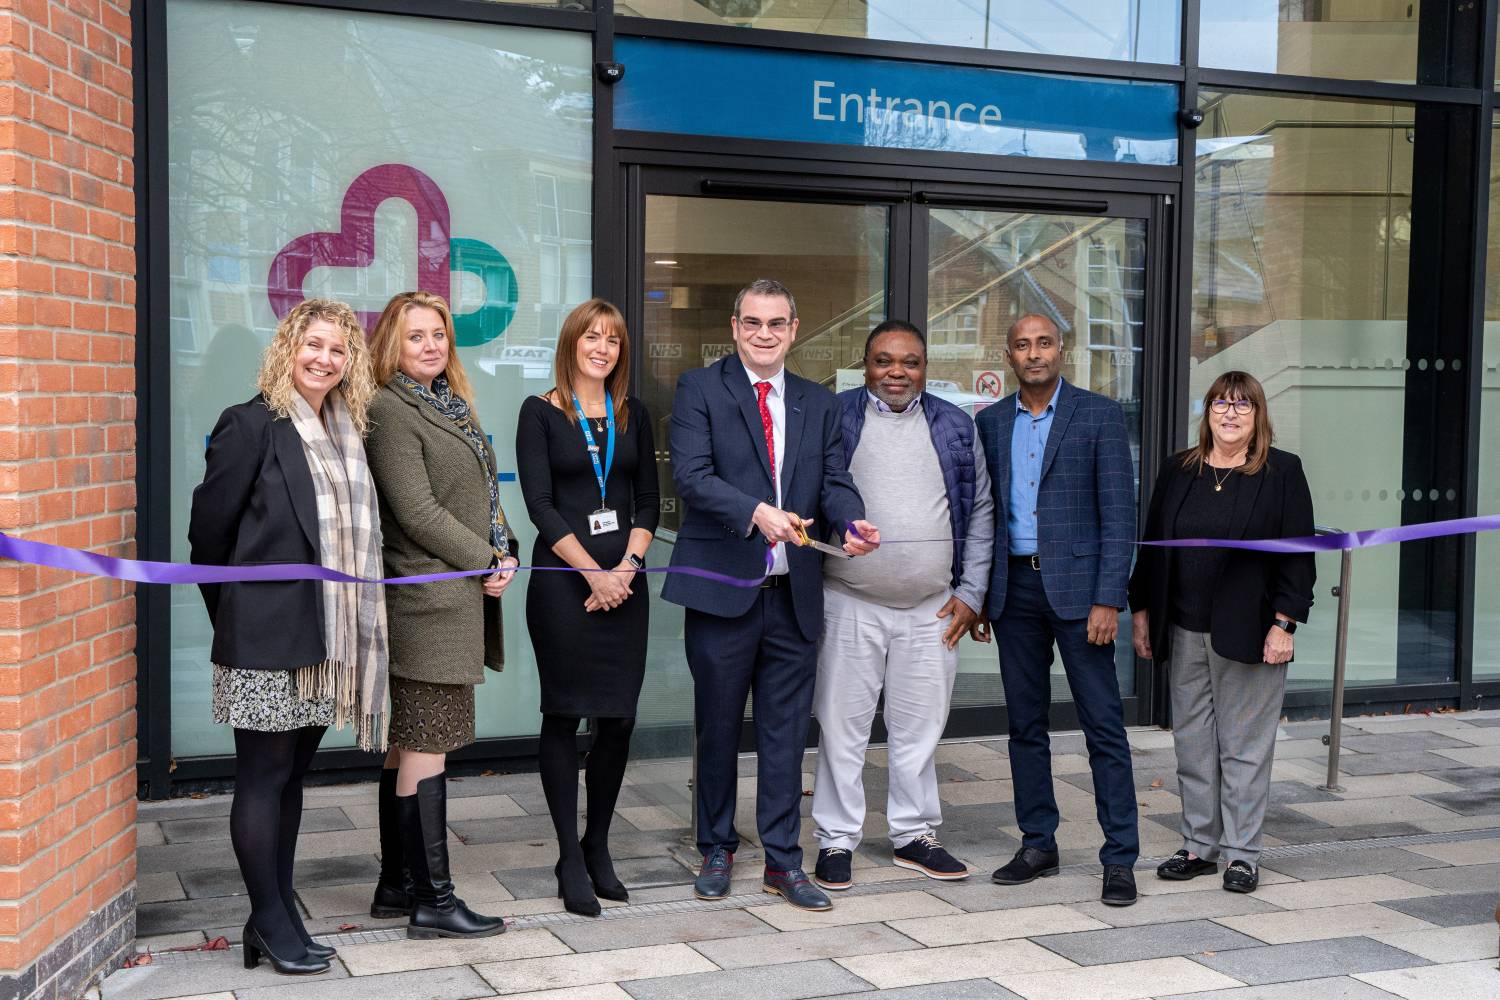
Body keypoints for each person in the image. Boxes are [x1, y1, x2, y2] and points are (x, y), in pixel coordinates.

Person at [665, 278, 879, 913]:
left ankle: (784, 860)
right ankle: (716, 847)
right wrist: (758, 512)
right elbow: (693, 475)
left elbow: (834, 482)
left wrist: (851, 522)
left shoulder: (821, 402)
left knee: (786, 733)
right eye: (753, 323)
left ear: (793, 329)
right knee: (719, 727)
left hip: (794, 594)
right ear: (735, 327)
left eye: (777, 323)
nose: (764, 333)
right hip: (723, 590)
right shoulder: (700, 388)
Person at [189, 298, 386, 975]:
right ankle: (271, 919)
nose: (324, 360)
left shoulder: (346, 431)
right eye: (314, 345)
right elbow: (206, 538)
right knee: (264, 776)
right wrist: (239, 615)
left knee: (294, 776)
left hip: (326, 638)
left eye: (338, 350)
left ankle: (272, 910)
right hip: (267, 635)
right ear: (288, 348)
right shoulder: (250, 426)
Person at [811, 320, 995, 891]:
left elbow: (981, 509)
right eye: (885, 361)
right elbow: (810, 493)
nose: (897, 372)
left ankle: (914, 835)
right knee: (842, 727)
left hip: (932, 608)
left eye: (910, 362)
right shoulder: (834, 415)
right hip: (848, 600)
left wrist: (972, 593)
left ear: (925, 367)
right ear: (865, 364)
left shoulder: (956, 425)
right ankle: (836, 839)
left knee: (919, 728)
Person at [363, 291, 517, 939]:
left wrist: (503, 547)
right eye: (414, 336)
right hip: (426, 603)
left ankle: (397, 886)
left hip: (454, 595)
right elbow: (418, 511)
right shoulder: (390, 409)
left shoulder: (447, 403)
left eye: (438, 335)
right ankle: (434, 900)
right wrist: (487, 557)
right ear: (390, 347)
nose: (430, 346)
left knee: (410, 744)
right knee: (429, 743)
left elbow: (484, 487)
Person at [975, 313, 1140, 907]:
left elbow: (1120, 515)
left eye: (1044, 343)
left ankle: (1119, 857)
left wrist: (1108, 597)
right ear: (1009, 354)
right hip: (1014, 592)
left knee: (1103, 727)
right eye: (1022, 344)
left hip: (1080, 596)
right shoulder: (990, 422)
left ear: (1060, 349)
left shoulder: (1097, 414)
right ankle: (1037, 843)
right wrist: (981, 594)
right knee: (1025, 725)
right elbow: (984, 516)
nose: (1034, 353)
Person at [1130, 371, 1315, 894]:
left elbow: (1299, 559)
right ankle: (1198, 844)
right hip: (1183, 627)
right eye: (1220, 404)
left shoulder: (1281, 472)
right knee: (1192, 743)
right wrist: (1142, 611)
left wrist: (1285, 623)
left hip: (1251, 631)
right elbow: (1152, 547)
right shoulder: (1179, 469)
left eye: (1242, 405)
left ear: (1258, 416)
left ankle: (1241, 853)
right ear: (1207, 411)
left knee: (1244, 747)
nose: (1229, 414)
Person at [517, 299, 659, 917]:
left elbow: (650, 503)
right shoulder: (539, 413)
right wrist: (593, 574)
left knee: (618, 719)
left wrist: (624, 569)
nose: (602, 347)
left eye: (613, 339)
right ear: (572, 343)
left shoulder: (634, 415)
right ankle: (567, 857)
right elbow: (540, 506)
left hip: (625, 587)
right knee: (565, 714)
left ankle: (596, 844)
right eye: (591, 337)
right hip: (564, 586)